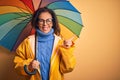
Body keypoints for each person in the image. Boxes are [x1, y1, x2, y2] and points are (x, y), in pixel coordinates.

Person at [14, 7, 76, 80]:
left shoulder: (61, 42)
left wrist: (67, 50)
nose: (45, 24)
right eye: (41, 20)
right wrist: (29, 66)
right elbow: (17, 66)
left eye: (49, 20)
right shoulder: (27, 42)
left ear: (53, 22)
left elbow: (68, 69)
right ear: (37, 22)